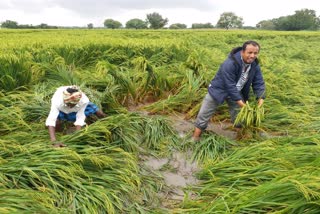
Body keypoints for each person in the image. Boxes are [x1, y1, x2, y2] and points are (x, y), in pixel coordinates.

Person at [192, 40, 265, 141]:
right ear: (243, 52)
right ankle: (195, 138)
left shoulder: (254, 65)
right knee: (204, 114)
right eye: (250, 52)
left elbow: (259, 82)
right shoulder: (230, 63)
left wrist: (261, 99)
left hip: (236, 92)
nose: (252, 56)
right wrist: (244, 106)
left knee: (239, 116)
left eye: (255, 53)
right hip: (218, 90)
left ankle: (240, 138)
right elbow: (230, 86)